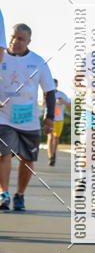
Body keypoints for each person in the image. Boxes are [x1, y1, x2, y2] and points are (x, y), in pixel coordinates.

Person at [0, 24, 55, 211]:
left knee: (27, 159)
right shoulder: (1, 56)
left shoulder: (38, 62)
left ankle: (19, 195)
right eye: (12, 37)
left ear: (28, 41)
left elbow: (49, 91)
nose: (15, 42)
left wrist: (49, 117)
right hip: (4, 117)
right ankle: (3, 194)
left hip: (28, 119)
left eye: (20, 39)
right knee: (3, 154)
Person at [47, 79, 70, 166]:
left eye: (55, 84)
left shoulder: (62, 94)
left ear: (57, 85)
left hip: (59, 119)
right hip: (49, 118)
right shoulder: (47, 93)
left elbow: (70, 105)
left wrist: (63, 102)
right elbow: (41, 103)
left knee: (56, 138)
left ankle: (54, 152)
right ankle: (51, 157)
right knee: (50, 137)